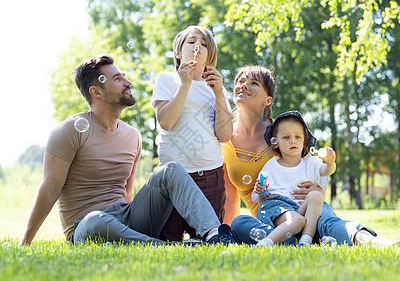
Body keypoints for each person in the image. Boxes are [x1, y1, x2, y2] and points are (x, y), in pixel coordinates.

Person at [19, 53, 238, 246]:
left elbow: (127, 193)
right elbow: (49, 189)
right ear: (96, 92)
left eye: (123, 76)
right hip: (86, 227)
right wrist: (25, 243)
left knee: (170, 170)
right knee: (96, 219)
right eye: (118, 79)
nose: (128, 82)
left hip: (127, 219)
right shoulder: (70, 130)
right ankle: (167, 247)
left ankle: (213, 234)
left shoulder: (133, 136)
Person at [222, 65, 398, 247]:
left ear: (268, 100)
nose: (243, 86)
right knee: (238, 223)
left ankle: (369, 240)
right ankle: (305, 236)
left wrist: (318, 190)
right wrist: (222, 231)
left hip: (305, 206)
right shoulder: (224, 138)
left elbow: (314, 170)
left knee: (329, 222)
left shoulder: (285, 132)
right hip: (272, 216)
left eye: (253, 83)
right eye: (240, 81)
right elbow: (229, 195)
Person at [152, 26, 232, 241]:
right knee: (169, 239)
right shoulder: (167, 79)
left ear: (210, 57)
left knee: (208, 238)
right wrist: (185, 83)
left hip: (211, 175)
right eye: (191, 41)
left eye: (204, 44)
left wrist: (219, 95)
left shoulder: (217, 89)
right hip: (175, 177)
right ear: (178, 53)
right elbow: (166, 122)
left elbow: (224, 135)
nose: (198, 46)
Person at [252, 110, 336, 247]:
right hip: (280, 211)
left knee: (316, 196)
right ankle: (266, 243)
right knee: (296, 220)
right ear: (276, 142)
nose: (293, 141)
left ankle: (305, 240)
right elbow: (262, 201)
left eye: (298, 137)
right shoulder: (271, 166)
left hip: (302, 211)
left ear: (304, 142)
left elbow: (326, 171)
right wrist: (261, 191)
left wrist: (330, 162)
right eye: (286, 137)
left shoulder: (312, 163)